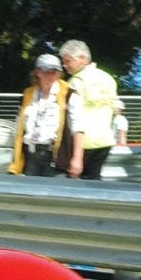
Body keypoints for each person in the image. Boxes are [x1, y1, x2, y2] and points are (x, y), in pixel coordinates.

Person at [8, 54, 83, 177]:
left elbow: (78, 128)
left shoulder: (69, 95)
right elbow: (19, 129)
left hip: (55, 157)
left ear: (59, 74)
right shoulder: (27, 95)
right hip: (30, 155)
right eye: (46, 71)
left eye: (54, 72)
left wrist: (77, 158)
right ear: (38, 72)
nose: (50, 76)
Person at [59, 39, 118, 180]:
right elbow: (115, 108)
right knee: (94, 179)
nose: (64, 65)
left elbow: (72, 115)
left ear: (82, 59)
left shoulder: (75, 82)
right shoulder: (108, 78)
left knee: (77, 184)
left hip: (83, 142)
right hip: (105, 139)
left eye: (68, 61)